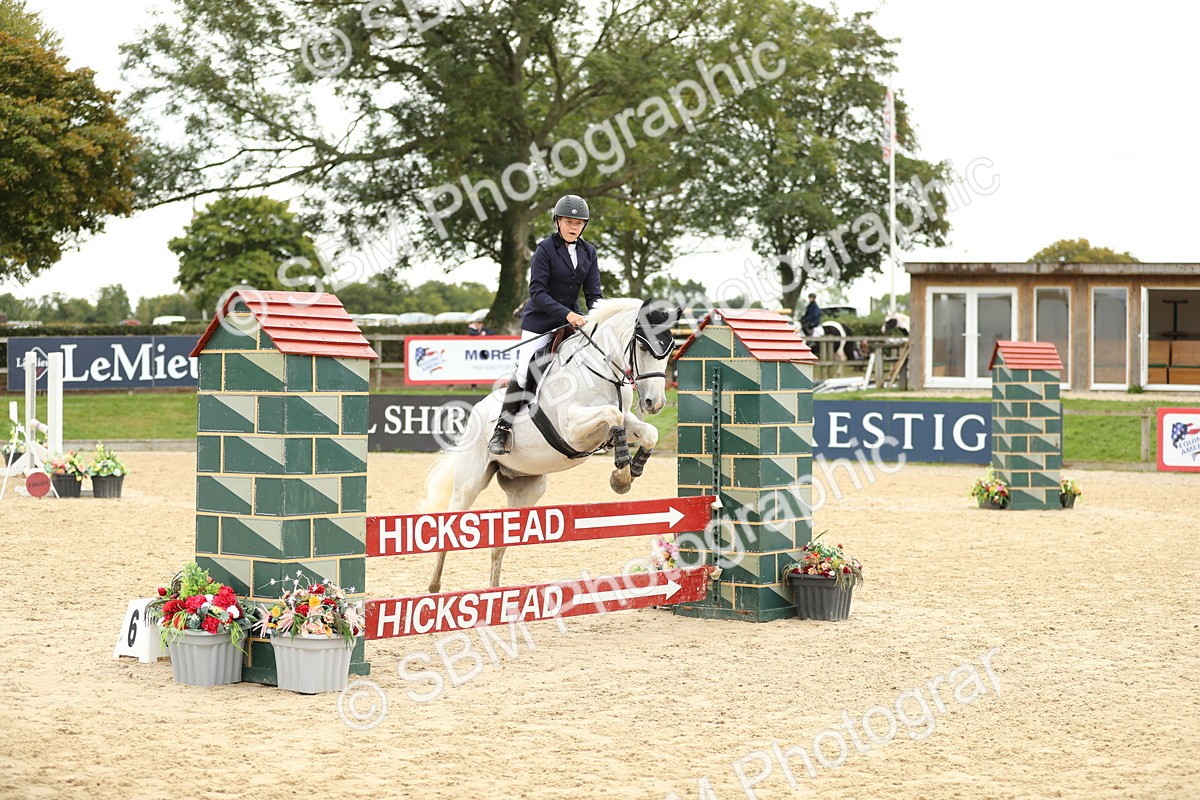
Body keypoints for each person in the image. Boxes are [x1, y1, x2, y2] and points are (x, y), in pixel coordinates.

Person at [487, 194, 602, 455]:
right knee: (524, 371)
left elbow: (594, 293)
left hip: (573, 322)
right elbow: (538, 292)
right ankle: (502, 430)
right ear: (558, 222)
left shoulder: (589, 251)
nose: (574, 227)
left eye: (579, 222)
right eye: (569, 221)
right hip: (540, 321)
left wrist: (598, 315)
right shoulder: (545, 249)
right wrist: (568, 314)